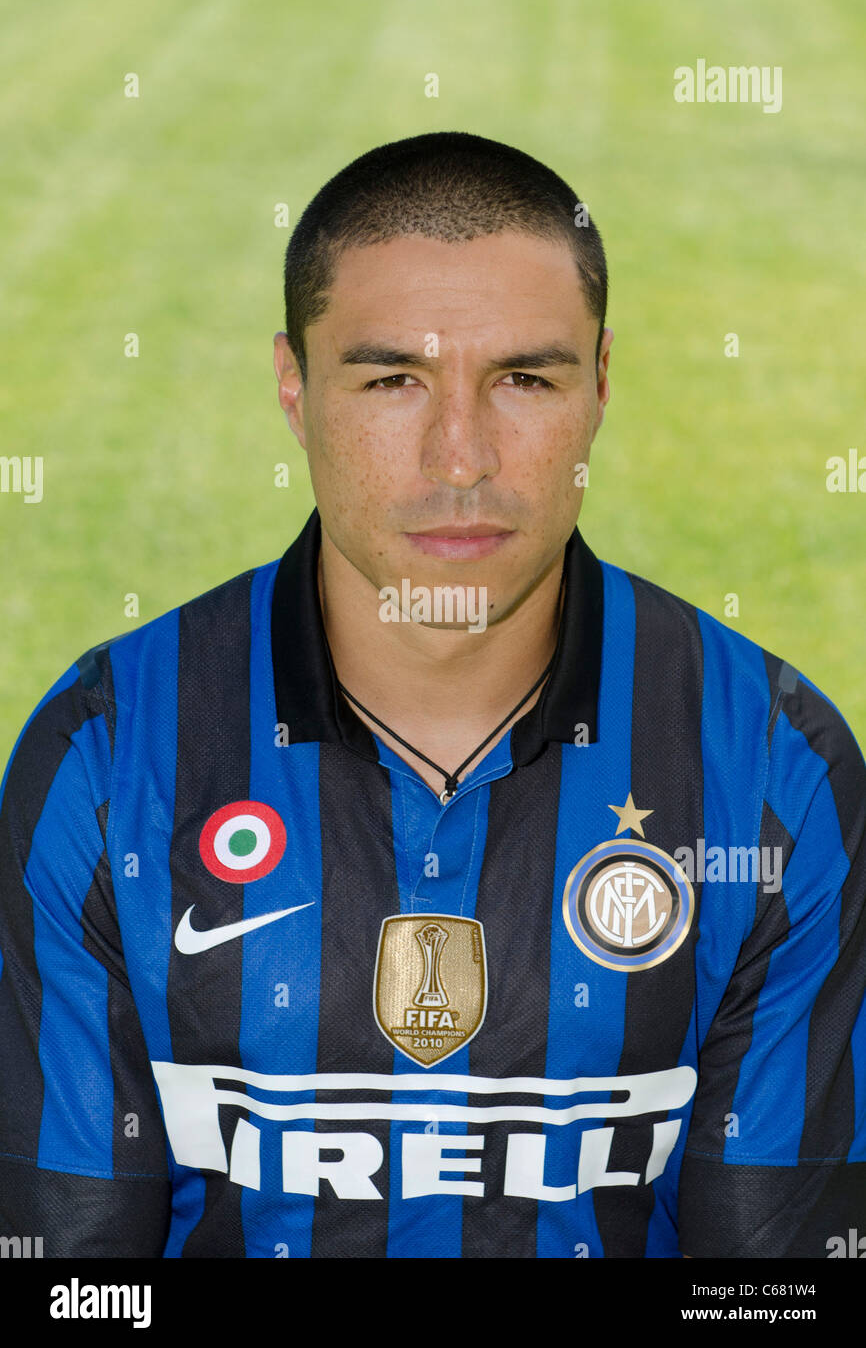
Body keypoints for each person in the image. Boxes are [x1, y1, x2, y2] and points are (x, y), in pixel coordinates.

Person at [1, 131, 864, 1259]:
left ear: (599, 385)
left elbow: (772, 1286)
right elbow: (73, 1283)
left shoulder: (768, 766)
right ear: (292, 387)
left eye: (523, 378)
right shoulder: (108, 757)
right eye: (391, 378)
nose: (460, 456)